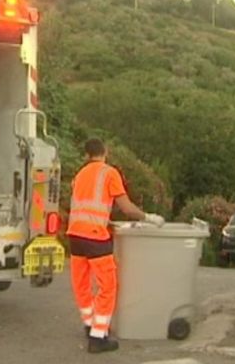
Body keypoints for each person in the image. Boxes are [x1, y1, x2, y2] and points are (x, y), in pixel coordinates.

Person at [67, 138, 165, 354]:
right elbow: (126, 207)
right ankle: (98, 337)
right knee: (107, 286)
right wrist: (148, 217)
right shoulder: (109, 173)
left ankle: (89, 324)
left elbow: (85, 206)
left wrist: (104, 220)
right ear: (106, 152)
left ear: (86, 154)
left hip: (75, 235)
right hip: (95, 237)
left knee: (81, 284)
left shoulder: (79, 175)